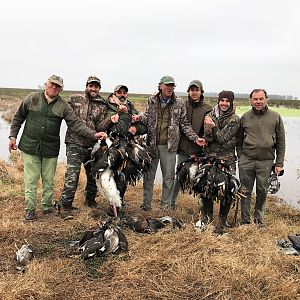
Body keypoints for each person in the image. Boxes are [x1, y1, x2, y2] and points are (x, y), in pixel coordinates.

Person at [8, 75, 106, 221]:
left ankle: (47, 207)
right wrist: (12, 136)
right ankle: (30, 210)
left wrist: (94, 134)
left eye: (58, 86)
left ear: (61, 89)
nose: (54, 87)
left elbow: (75, 124)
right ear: (46, 84)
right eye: (52, 84)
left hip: (50, 148)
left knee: (49, 180)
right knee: (31, 179)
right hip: (30, 146)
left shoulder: (63, 106)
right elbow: (18, 118)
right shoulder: (32, 98)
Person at [132, 75, 206, 211]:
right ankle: (146, 205)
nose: (170, 88)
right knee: (149, 177)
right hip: (152, 145)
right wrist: (139, 117)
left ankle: (165, 207)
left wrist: (196, 138)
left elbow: (184, 124)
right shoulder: (152, 100)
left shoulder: (179, 103)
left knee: (169, 178)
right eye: (167, 85)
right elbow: (147, 117)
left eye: (172, 86)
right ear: (160, 86)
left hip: (169, 147)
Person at [237, 89, 285, 226]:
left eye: (261, 99)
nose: (258, 102)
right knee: (245, 191)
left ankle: (259, 220)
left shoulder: (275, 117)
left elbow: (281, 142)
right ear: (250, 100)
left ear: (266, 99)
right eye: (255, 99)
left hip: (266, 161)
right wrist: (241, 156)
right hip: (246, 160)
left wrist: (279, 163)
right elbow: (239, 140)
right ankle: (245, 221)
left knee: (262, 191)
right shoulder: (245, 117)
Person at [59, 76, 107, 211]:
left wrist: (110, 121)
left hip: (91, 145)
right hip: (74, 142)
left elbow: (100, 124)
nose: (93, 88)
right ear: (86, 86)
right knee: (72, 175)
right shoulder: (75, 99)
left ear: (99, 88)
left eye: (96, 86)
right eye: (91, 86)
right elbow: (62, 112)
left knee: (93, 175)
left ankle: (90, 200)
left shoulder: (101, 104)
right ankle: (66, 205)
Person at [100, 84, 147, 211]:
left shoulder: (131, 107)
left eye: (124, 93)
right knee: (109, 175)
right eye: (119, 92)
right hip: (110, 145)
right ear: (114, 94)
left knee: (124, 174)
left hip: (127, 145)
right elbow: (118, 129)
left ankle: (118, 201)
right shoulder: (107, 107)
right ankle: (112, 203)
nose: (122, 95)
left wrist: (136, 128)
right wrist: (124, 114)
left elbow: (144, 127)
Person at [171, 79, 212, 209]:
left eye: (197, 90)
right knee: (179, 176)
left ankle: (202, 204)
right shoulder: (182, 105)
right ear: (188, 92)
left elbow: (209, 131)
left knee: (199, 178)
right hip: (183, 148)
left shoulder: (207, 108)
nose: (194, 92)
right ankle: (171, 203)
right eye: (192, 90)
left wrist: (204, 141)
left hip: (198, 151)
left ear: (201, 91)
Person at [202, 90, 240, 227]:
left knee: (228, 189)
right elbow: (208, 138)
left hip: (227, 159)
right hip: (210, 158)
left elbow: (223, 139)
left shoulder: (235, 119)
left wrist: (213, 127)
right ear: (218, 101)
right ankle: (207, 217)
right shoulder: (210, 115)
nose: (224, 103)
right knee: (207, 187)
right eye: (222, 100)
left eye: (227, 101)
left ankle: (223, 219)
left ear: (231, 102)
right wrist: (209, 130)